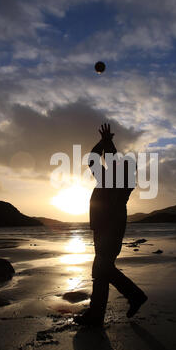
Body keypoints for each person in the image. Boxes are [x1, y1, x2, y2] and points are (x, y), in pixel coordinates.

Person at [74, 123, 147, 327]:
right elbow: (93, 159)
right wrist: (105, 142)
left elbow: (101, 160)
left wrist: (108, 143)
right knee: (102, 270)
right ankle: (99, 313)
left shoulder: (119, 183)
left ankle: (132, 297)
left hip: (111, 230)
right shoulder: (110, 178)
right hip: (103, 228)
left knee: (101, 269)